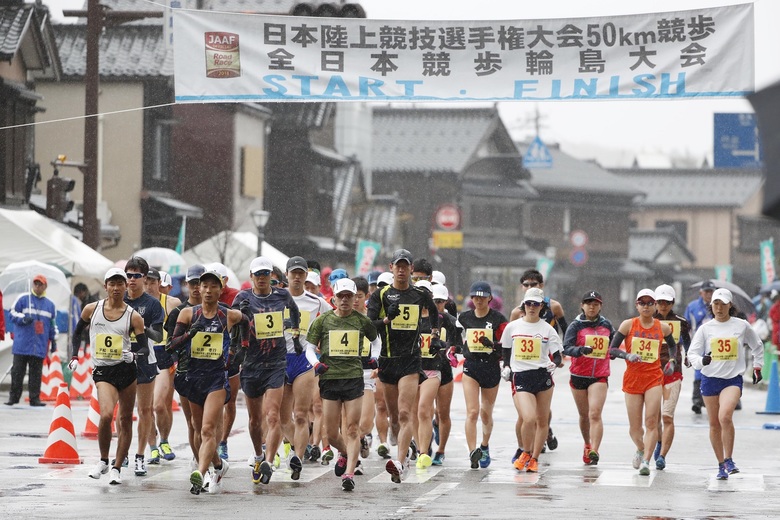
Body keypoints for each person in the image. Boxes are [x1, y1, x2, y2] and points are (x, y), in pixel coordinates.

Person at [169, 268, 247, 494]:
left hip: (216, 379)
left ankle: (200, 474)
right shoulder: (187, 314)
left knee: (207, 429)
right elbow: (171, 346)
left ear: (221, 289)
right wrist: (189, 335)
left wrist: (241, 349)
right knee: (196, 427)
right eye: (205, 286)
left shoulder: (228, 315)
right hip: (193, 377)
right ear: (198, 289)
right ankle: (219, 466)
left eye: (214, 286)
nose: (209, 290)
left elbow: (247, 321)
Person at [70, 268, 147, 485]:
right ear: (105, 287)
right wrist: (75, 355)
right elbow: (77, 333)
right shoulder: (91, 309)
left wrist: (133, 354)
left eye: (120, 284)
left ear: (126, 287)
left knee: (125, 419)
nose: (116, 288)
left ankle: (117, 467)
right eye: (111, 284)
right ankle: (103, 460)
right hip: (103, 370)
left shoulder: (134, 316)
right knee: (105, 415)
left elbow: (144, 349)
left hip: (126, 371)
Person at [367, 248, 439, 483]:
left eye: (405, 266)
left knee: (407, 412)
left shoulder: (419, 294)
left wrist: (435, 333)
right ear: (391, 268)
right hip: (388, 361)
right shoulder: (381, 295)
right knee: (395, 417)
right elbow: (369, 326)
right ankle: (402, 448)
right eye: (397, 265)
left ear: (410, 269)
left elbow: (435, 311)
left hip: (410, 360)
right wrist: (386, 319)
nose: (401, 269)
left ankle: (400, 462)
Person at [232, 256, 300, 485]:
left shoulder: (282, 295)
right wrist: (241, 317)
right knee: (254, 421)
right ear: (251, 276)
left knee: (273, 415)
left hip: (275, 363)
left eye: (265, 274)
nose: (262, 279)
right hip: (251, 364)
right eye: (257, 275)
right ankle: (259, 455)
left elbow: (295, 312)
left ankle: (268, 462)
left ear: (271, 276)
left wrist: (295, 333)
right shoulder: (242, 298)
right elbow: (231, 325)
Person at [307, 278, 379, 491]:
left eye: (350, 296)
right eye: (341, 296)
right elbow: (309, 347)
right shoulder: (324, 320)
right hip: (330, 379)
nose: (346, 300)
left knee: (352, 428)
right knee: (330, 432)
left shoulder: (361, 321)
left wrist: (376, 358)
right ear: (334, 298)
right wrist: (316, 363)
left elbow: (376, 341)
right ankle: (348, 453)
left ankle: (349, 473)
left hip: (354, 378)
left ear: (356, 297)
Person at [687, 288, 764, 480]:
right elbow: (692, 354)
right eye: (715, 304)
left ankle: (729, 459)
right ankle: (721, 465)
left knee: (725, 416)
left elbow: (757, 345)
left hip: (732, 379)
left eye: (723, 304)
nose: (719, 308)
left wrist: (757, 366)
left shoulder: (741, 325)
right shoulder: (705, 328)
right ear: (711, 306)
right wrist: (701, 361)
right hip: (710, 378)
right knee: (714, 423)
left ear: (730, 305)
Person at [608, 288, 677, 476]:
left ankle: (647, 460)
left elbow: (672, 346)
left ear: (655, 306)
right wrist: (627, 355)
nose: (646, 306)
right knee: (635, 428)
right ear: (636, 305)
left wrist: (672, 361)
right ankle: (640, 448)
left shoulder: (662, 327)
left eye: (649, 303)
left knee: (652, 421)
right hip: (633, 380)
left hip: (654, 378)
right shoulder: (628, 325)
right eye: (642, 303)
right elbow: (611, 350)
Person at [279, 256, 331, 479]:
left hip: (303, 360)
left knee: (301, 414)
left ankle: (298, 459)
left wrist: (322, 344)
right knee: (281, 418)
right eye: (294, 273)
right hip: (280, 360)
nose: (298, 277)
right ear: (287, 275)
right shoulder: (276, 299)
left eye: (301, 273)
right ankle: (296, 447)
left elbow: (336, 318)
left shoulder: (316, 301)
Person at [502, 287, 563, 473]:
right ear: (523, 305)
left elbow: (557, 355)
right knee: (528, 418)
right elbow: (506, 349)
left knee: (542, 420)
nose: (531, 307)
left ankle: (535, 458)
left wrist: (556, 363)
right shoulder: (513, 327)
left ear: (542, 307)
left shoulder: (548, 329)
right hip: (521, 376)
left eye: (536, 304)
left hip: (542, 376)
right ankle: (526, 452)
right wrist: (505, 366)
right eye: (528, 304)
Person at [456, 281, 507, 469]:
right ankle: (472, 452)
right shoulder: (464, 318)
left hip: (491, 368)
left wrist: (493, 345)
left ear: (490, 298)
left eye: (483, 297)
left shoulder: (498, 319)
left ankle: (484, 446)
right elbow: (455, 340)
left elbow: (506, 346)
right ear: (471, 299)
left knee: (486, 414)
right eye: (476, 297)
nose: (479, 300)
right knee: (472, 411)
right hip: (471, 367)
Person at [562, 290, 615, 465]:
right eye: (588, 303)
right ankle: (587, 444)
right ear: (582, 305)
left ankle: (595, 450)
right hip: (578, 375)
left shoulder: (607, 325)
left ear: (600, 306)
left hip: (599, 375)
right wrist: (580, 350)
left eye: (595, 304)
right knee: (584, 415)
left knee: (595, 413)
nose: (592, 307)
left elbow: (613, 345)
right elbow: (566, 347)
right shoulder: (575, 326)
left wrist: (614, 354)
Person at [124, 258, 165, 477]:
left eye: (137, 276)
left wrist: (140, 326)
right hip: (120, 360)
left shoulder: (152, 304)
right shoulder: (116, 299)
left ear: (144, 278)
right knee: (123, 413)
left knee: (145, 410)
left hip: (144, 360)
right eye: (129, 275)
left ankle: (141, 455)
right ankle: (123, 454)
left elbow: (158, 336)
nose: (132, 280)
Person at [166, 264, 206, 463]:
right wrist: (175, 364)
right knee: (193, 422)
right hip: (186, 372)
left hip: (211, 373)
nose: (197, 287)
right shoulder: (178, 312)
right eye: (192, 283)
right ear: (186, 285)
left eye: (200, 283)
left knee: (210, 424)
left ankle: (208, 458)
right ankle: (199, 460)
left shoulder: (218, 312)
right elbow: (169, 344)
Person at [145, 267, 182, 465]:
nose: (149, 286)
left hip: (163, 356)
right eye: (147, 282)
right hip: (143, 355)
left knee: (161, 405)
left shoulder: (171, 303)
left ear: (159, 283)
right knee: (146, 407)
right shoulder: (135, 303)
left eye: (153, 282)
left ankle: (164, 440)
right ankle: (152, 447)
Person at [652, 284, 690, 471]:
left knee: (667, 416)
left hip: (673, 372)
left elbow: (688, 343)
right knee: (655, 417)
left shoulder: (681, 321)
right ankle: (658, 440)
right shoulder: (648, 320)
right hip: (651, 372)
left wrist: (690, 356)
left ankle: (663, 455)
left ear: (673, 302)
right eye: (660, 302)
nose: (663, 305)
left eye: (667, 302)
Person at [6, 274, 57, 407]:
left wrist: (53, 340)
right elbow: (11, 314)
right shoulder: (23, 299)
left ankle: (35, 399)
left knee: (36, 374)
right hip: (22, 344)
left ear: (45, 286)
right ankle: (14, 397)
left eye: (40, 284)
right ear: (33, 285)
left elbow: (52, 324)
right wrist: (22, 319)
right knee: (17, 372)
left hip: (39, 344)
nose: (38, 286)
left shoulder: (50, 305)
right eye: (36, 283)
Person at [430, 282, 462, 465]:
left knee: (443, 412)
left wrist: (451, 350)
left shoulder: (450, 320)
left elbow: (459, 344)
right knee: (423, 411)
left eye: (441, 301)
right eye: (434, 301)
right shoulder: (422, 318)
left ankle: (441, 450)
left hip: (444, 370)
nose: (437, 305)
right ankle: (424, 447)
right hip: (424, 369)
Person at [685, 280, 715, 414]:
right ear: (701, 293)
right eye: (707, 292)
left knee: (715, 370)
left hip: (715, 343)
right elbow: (685, 327)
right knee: (699, 370)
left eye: (711, 292)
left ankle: (712, 399)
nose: (709, 294)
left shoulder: (719, 306)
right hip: (698, 342)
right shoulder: (692, 307)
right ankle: (697, 400)